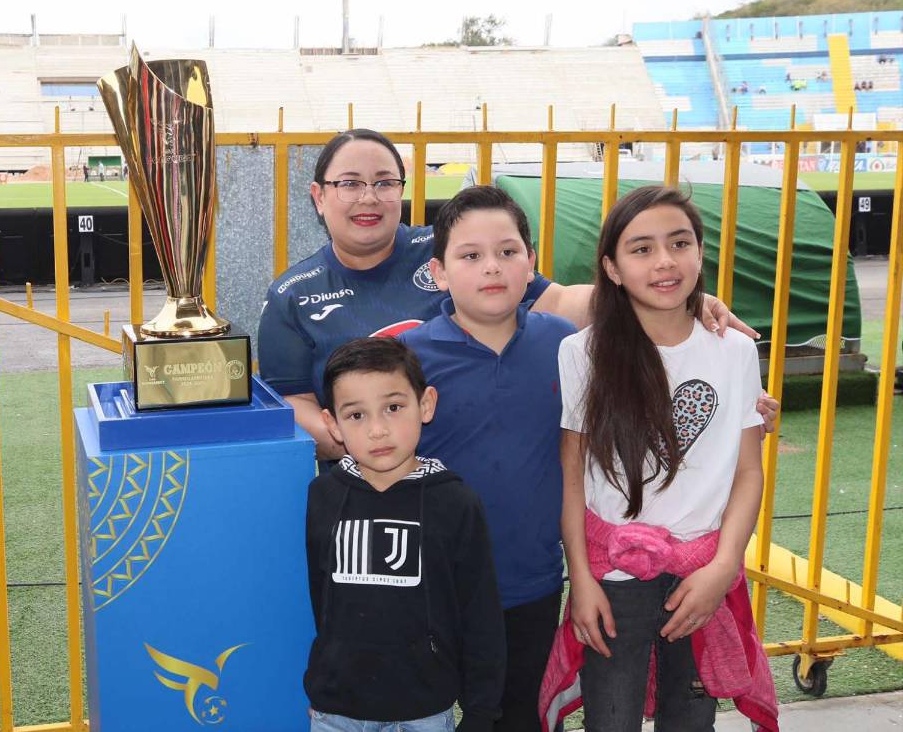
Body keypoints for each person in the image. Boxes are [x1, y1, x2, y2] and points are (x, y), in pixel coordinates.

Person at [257, 129, 755, 467]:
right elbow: (291, 403)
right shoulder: (291, 296)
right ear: (318, 196)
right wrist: (362, 439)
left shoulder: (450, 244)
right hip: (380, 489)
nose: (369, 197)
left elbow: (559, 302)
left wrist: (670, 301)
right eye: (350, 184)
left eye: (385, 183)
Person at [540, 186, 778, 732]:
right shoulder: (582, 352)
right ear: (613, 268)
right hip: (614, 576)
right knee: (611, 719)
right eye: (642, 249)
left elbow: (748, 471)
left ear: (700, 253)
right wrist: (582, 580)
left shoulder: (736, 351)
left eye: (680, 243)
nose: (665, 261)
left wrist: (723, 568)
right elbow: (572, 477)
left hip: (703, 575)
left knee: (692, 719)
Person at [400, 186, 577, 731]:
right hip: (433, 586)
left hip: (532, 581)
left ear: (531, 262)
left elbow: (628, 401)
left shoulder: (564, 343)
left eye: (507, 251)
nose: (492, 267)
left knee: (520, 715)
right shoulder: (410, 359)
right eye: (470, 255)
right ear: (439, 272)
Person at [304, 336, 506, 732]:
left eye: (393, 408)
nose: (378, 430)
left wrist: (481, 712)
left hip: (423, 712)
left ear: (425, 404)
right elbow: (318, 599)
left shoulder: (455, 503)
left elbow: (480, 613)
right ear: (332, 424)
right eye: (356, 415)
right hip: (336, 711)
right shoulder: (321, 497)